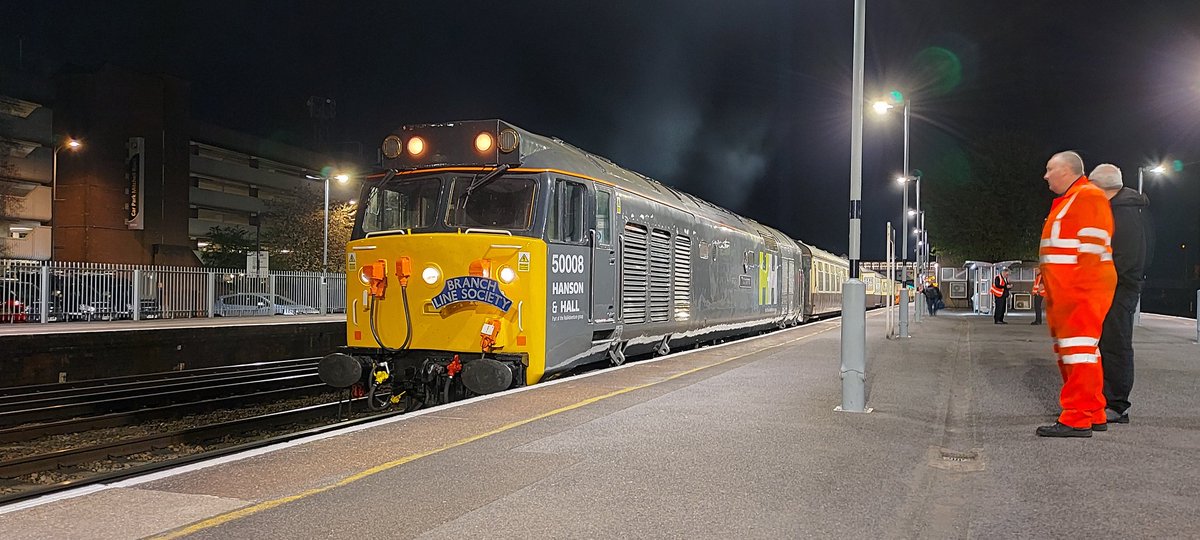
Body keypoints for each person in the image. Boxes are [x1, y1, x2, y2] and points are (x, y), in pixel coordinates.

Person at [1036, 151, 1117, 438]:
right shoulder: (1075, 199)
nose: (1045, 176)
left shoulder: (1086, 196)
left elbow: (1093, 249)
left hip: (1080, 290)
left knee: (1077, 354)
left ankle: (1076, 417)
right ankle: (1093, 411)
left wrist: (1077, 292)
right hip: (1071, 291)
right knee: (1083, 354)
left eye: (1049, 169)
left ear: (1067, 171)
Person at [1089, 164, 1150, 425]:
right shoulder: (1124, 209)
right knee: (1111, 344)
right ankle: (1107, 399)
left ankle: (1116, 405)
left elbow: (1124, 259)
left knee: (1116, 345)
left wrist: (1098, 282)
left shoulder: (1123, 213)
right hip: (1117, 286)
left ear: (1103, 188)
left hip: (1119, 289)